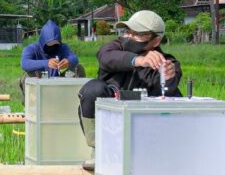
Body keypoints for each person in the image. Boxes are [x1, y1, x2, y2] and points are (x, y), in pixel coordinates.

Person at [77, 10, 182, 148]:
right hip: (109, 120)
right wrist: (138, 60)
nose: (130, 37)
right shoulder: (115, 47)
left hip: (143, 127)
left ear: (156, 40)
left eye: (138, 34)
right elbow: (105, 57)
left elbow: (166, 93)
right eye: (127, 31)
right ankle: (97, 147)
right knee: (93, 89)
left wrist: (168, 77)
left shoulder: (166, 62)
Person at [19, 20, 85, 93]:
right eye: (49, 44)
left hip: (58, 81)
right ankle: (32, 99)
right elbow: (24, 63)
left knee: (78, 68)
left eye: (55, 44)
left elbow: (75, 58)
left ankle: (75, 97)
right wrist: (46, 63)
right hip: (39, 81)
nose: (52, 47)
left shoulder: (62, 47)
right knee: (27, 76)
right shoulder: (31, 48)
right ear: (43, 41)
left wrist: (68, 61)